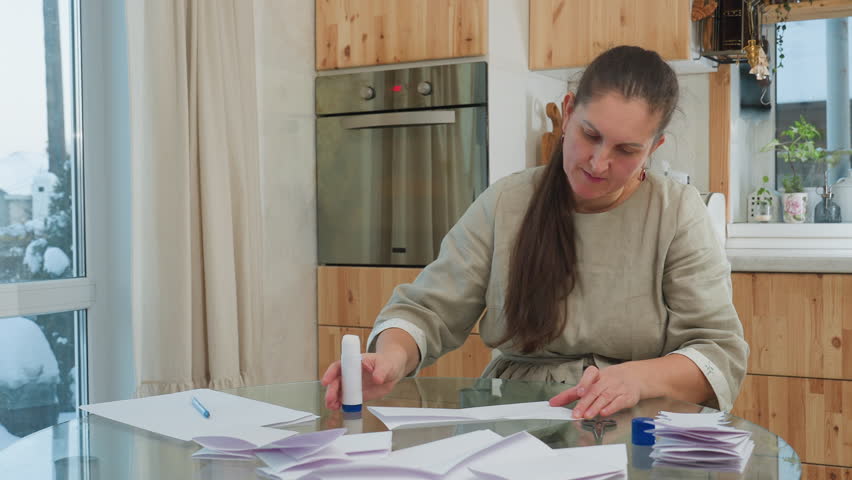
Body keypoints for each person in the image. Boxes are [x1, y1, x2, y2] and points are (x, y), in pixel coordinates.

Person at [321, 45, 749, 419]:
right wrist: (388, 360)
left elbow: (718, 354)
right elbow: (428, 310)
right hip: (512, 416)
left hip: (638, 425)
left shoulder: (677, 213)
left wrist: (638, 378)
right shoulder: (508, 202)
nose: (598, 163)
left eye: (626, 150)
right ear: (567, 114)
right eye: (590, 135)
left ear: (653, 149)